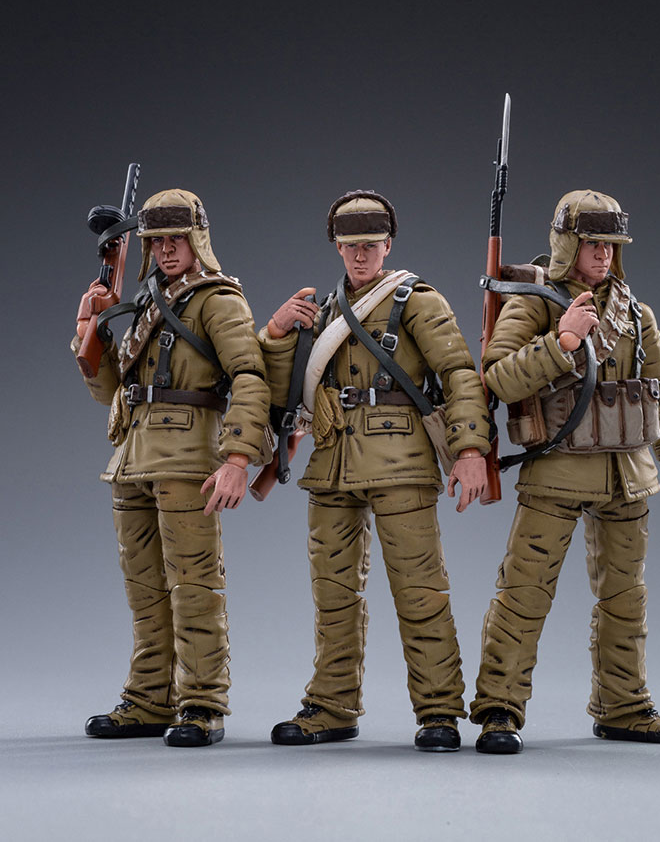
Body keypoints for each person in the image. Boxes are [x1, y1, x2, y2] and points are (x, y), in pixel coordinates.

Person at [470, 189, 660, 753]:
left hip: (627, 474)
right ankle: (499, 708)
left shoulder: (635, 313)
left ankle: (623, 705)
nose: (603, 254)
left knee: (625, 598)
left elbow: (659, 393)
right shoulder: (535, 303)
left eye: (610, 245)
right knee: (524, 593)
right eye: (592, 243)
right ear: (566, 244)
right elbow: (497, 378)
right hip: (556, 472)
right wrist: (563, 341)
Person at [260, 191, 490, 751]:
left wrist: (470, 450)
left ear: (388, 245)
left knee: (421, 591)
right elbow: (283, 394)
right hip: (332, 461)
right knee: (333, 592)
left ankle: (439, 711)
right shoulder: (326, 312)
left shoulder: (417, 300)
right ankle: (331, 705)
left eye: (370, 244)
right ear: (337, 248)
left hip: (401, 460)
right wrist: (274, 336)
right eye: (350, 246)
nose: (360, 255)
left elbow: (459, 373)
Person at [72, 189, 270, 747]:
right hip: (132, 458)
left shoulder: (218, 300)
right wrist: (89, 329)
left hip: (187, 461)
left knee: (195, 586)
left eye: (176, 239)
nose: (165, 249)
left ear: (197, 239)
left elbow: (250, 378)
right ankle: (149, 697)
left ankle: (203, 702)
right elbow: (111, 391)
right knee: (145, 591)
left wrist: (237, 458)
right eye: (156, 240)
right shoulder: (146, 302)